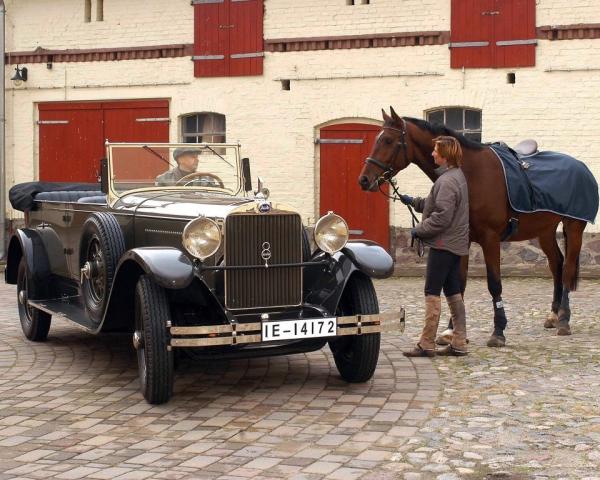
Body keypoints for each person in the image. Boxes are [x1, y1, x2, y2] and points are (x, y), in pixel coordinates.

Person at [401, 135, 470, 357]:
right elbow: (437, 205)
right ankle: (459, 342)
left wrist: (418, 230)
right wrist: (413, 201)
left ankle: (426, 343)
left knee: (432, 292)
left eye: (436, 151)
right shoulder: (455, 177)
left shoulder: (447, 181)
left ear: (445, 155)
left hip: (443, 245)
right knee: (453, 292)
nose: (432, 154)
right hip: (453, 245)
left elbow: (442, 216)